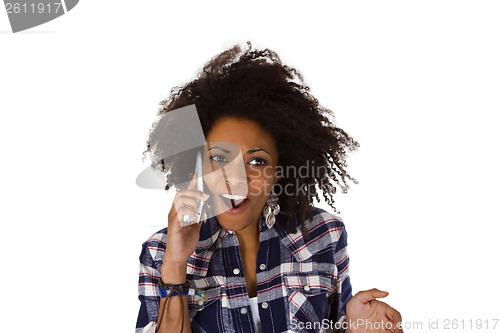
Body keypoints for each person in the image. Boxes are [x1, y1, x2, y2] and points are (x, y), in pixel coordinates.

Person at [136, 42, 403, 333]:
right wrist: (175, 266)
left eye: (257, 161)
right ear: (198, 165)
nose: (235, 178)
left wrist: (355, 329)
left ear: (279, 170)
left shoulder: (324, 233)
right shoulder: (160, 252)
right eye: (219, 157)